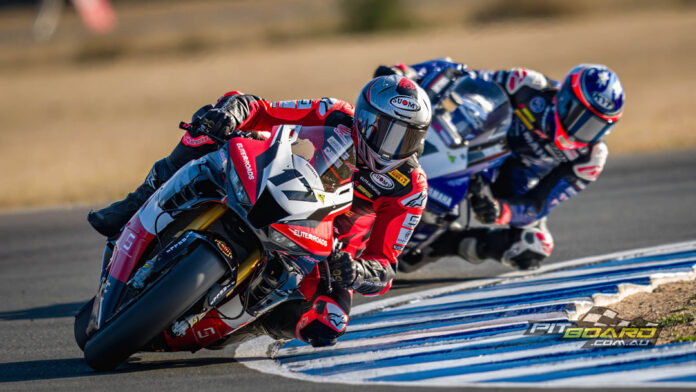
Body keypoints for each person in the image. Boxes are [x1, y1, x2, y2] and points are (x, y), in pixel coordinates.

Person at [87, 75, 432, 346]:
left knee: (329, 324)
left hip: (328, 248)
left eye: (408, 138)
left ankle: (248, 325)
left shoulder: (411, 186)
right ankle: (137, 201)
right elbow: (261, 109)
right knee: (209, 120)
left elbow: (385, 264)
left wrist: (355, 272)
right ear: (365, 120)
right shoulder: (335, 113)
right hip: (280, 188)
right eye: (387, 133)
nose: (394, 148)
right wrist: (231, 114)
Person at [375, 58, 624, 270]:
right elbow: (462, 76)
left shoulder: (590, 158)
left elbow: (537, 205)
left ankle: (446, 244)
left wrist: (500, 209)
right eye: (582, 119)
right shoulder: (528, 84)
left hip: (514, 185)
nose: (585, 132)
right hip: (477, 149)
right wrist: (407, 74)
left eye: (597, 127)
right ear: (567, 99)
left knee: (532, 246)